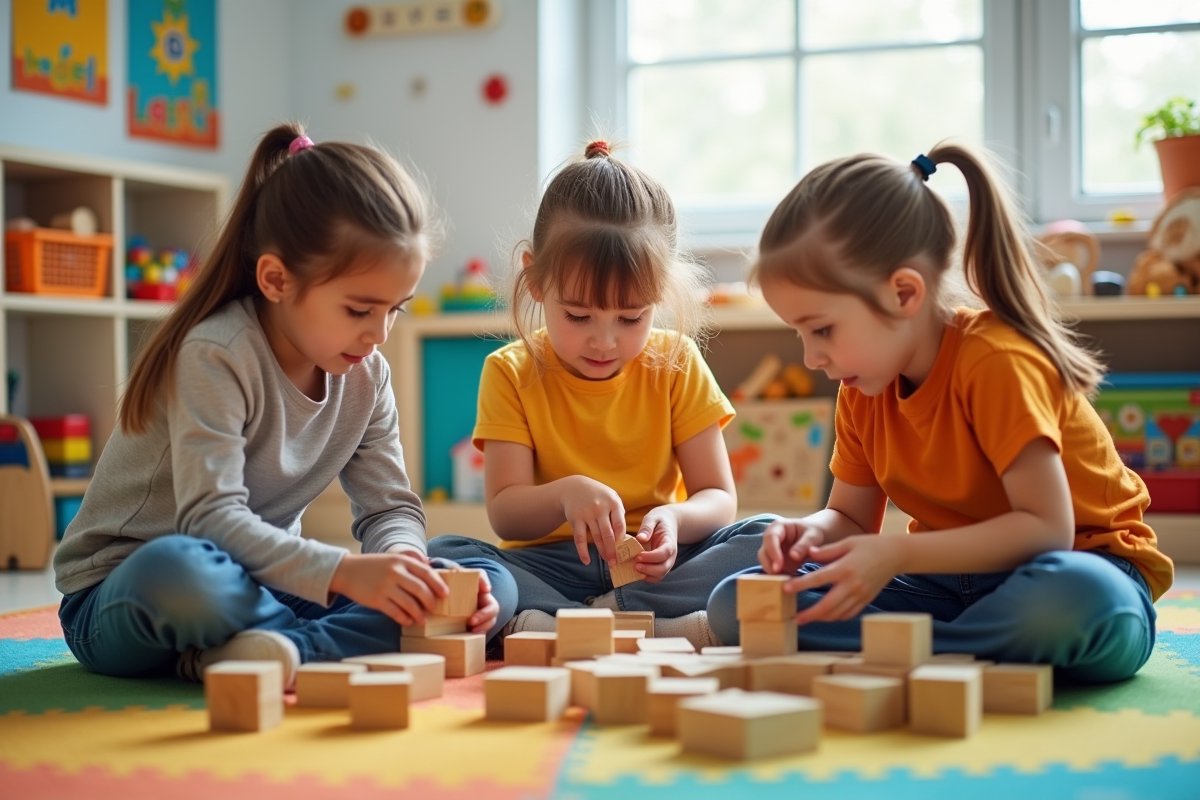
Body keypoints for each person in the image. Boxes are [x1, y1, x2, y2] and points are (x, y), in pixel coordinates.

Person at [53, 123, 516, 687]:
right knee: (184, 571)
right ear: (276, 280)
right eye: (358, 309)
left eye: (396, 309)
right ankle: (303, 645)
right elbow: (211, 521)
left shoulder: (367, 374)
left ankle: (273, 652)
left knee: (481, 575)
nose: (380, 333)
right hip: (130, 590)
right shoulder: (216, 354)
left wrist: (411, 571)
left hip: (268, 585)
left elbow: (389, 509)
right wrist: (346, 573)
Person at [707, 144, 1173, 682]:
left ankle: (917, 651)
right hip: (945, 584)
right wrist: (808, 533)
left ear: (904, 293)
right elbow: (852, 518)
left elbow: (1045, 529)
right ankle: (961, 653)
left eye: (823, 329)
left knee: (1080, 602)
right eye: (800, 334)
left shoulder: (997, 362)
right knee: (739, 602)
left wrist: (893, 556)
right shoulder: (861, 386)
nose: (812, 358)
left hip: (1075, 568)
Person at [428, 141, 770, 647]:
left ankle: (569, 623)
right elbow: (504, 510)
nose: (605, 340)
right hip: (552, 566)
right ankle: (646, 624)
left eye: (631, 318)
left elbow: (718, 498)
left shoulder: (676, 363)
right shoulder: (509, 371)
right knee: (445, 551)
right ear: (536, 278)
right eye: (579, 316)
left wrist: (674, 519)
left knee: (767, 536)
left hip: (659, 567)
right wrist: (566, 495)